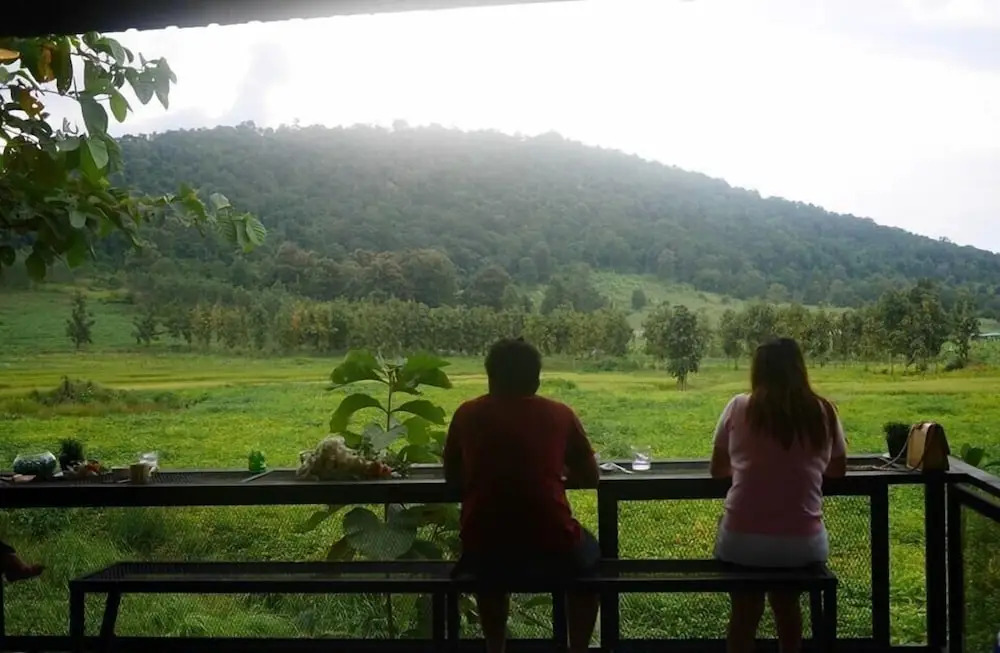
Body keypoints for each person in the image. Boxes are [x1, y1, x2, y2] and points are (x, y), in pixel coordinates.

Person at [444, 338, 600, 653]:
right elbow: (591, 476)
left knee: (488, 568)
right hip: (552, 541)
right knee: (592, 567)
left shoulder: (467, 414)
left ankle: (495, 647)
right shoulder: (560, 414)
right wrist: (556, 473)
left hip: (484, 543)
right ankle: (579, 649)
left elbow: (453, 477)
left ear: (490, 377)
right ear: (536, 380)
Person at [709, 337, 847, 653]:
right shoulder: (823, 411)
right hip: (803, 544)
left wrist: (751, 466)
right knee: (787, 609)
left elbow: (717, 470)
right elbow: (838, 470)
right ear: (799, 369)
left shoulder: (738, 406)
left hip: (742, 543)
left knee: (744, 613)